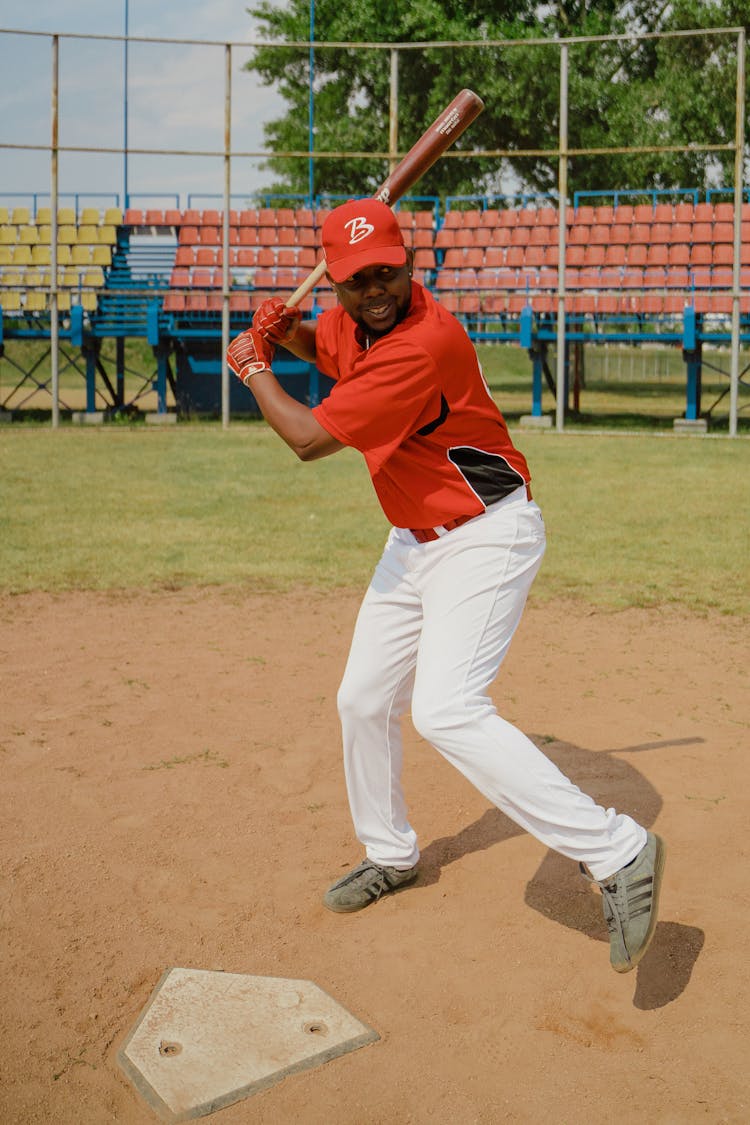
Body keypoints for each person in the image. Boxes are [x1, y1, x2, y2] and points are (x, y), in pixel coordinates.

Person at [226, 198, 665, 973]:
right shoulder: (359, 323)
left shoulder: (420, 343)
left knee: (446, 707)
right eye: (358, 280)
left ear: (410, 263)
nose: (377, 290)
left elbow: (306, 437)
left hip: (486, 534)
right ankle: (390, 852)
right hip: (413, 540)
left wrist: (255, 366)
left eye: (388, 272)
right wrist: (281, 328)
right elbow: (324, 345)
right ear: (335, 284)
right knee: (362, 699)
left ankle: (619, 848)